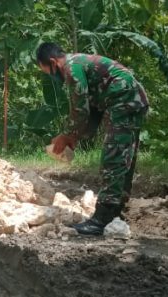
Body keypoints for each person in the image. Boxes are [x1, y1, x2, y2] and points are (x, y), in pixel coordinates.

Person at [36, 42, 149, 235]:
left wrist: (67, 135)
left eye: (47, 71)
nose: (51, 76)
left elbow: (80, 108)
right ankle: (116, 212)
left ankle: (102, 219)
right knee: (124, 158)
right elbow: (93, 109)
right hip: (129, 101)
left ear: (54, 62)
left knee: (113, 158)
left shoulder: (71, 68)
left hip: (123, 101)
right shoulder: (80, 63)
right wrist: (76, 136)